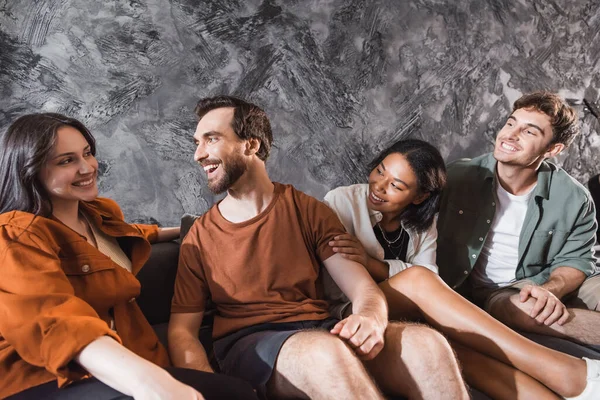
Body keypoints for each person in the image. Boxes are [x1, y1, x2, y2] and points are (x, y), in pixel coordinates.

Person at [168, 96, 470, 399]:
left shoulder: (309, 210)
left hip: (321, 327)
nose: (198, 154)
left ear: (251, 145)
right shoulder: (199, 237)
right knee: (324, 351)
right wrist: (208, 389)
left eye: (211, 139)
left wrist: (370, 319)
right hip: (251, 345)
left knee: (427, 345)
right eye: (198, 142)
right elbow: (183, 331)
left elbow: (364, 291)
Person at [0, 113, 258, 400]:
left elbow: (131, 233)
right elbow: (56, 321)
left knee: (236, 392)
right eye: (66, 161)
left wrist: (196, 227)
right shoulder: (15, 233)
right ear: (30, 169)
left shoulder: (97, 213)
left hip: (121, 361)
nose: (87, 168)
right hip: (45, 376)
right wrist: (148, 383)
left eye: (87, 154)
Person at [323, 138, 600, 399]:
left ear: (419, 197)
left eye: (396, 185)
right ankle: (565, 370)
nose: (379, 186)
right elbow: (347, 282)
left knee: (465, 353)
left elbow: (430, 275)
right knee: (418, 280)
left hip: (407, 308)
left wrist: (373, 265)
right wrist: (387, 270)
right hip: (352, 307)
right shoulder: (342, 201)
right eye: (380, 171)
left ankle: (575, 389)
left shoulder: (423, 219)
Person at [437, 91, 600, 347]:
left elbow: (577, 260)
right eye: (511, 123)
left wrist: (550, 290)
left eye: (529, 132)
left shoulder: (574, 198)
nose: (510, 135)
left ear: (553, 149)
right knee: (524, 308)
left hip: (553, 280)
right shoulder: (458, 177)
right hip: (502, 293)